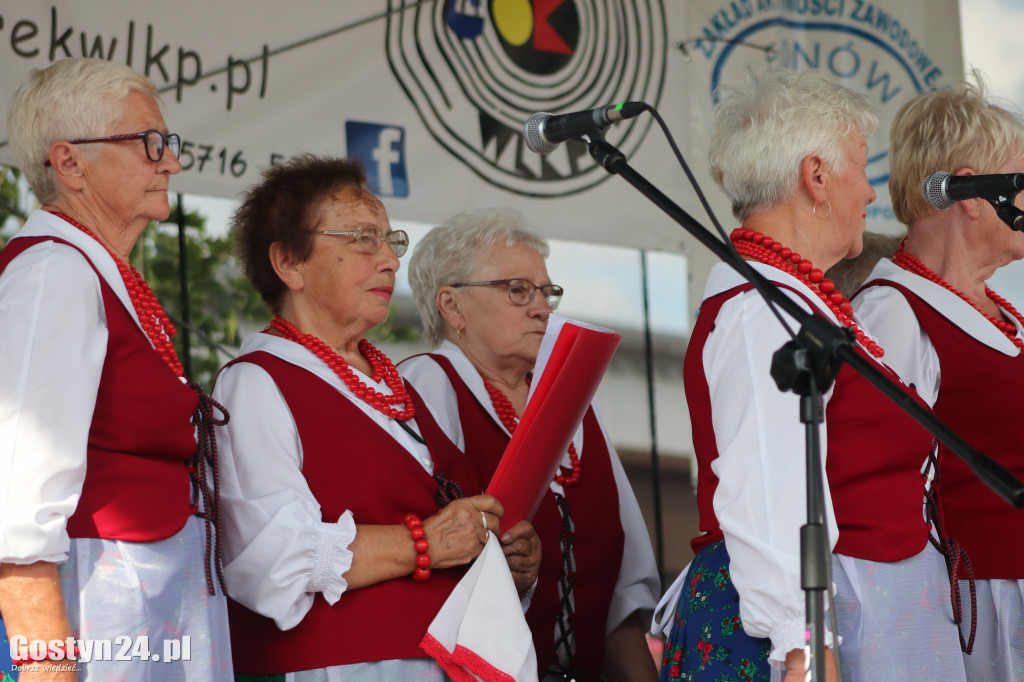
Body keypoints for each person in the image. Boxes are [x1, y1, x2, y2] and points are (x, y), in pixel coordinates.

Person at [654, 67, 967, 682]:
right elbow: (768, 484)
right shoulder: (757, 309)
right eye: (861, 167)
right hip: (781, 632)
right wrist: (802, 642)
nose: (872, 195)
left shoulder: (797, 300)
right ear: (816, 176)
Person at [213, 155, 541, 680]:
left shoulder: (393, 384)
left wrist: (505, 556)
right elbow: (270, 558)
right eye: (364, 238)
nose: (389, 260)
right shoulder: (256, 381)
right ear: (289, 263)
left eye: (392, 241)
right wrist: (426, 542)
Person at [0, 58, 231, 680]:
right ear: (70, 162)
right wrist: (47, 664)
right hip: (98, 600)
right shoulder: (54, 271)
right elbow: (15, 499)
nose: (171, 162)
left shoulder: (93, 269)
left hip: (138, 597)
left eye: (169, 143)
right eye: (149, 143)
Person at [399, 207, 661, 682]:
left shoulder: (576, 398)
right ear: (452, 306)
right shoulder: (425, 386)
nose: (541, 307)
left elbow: (619, 598)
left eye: (546, 292)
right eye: (517, 290)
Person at [853, 75, 1024, 681]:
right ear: (973, 191)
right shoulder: (893, 310)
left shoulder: (1004, 313)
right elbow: (871, 489)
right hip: (983, 612)